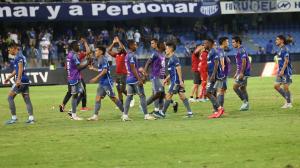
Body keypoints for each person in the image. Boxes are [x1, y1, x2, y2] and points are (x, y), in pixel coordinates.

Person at [87, 45, 124, 121]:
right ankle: (95, 116)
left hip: (107, 82)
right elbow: (101, 70)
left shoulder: (103, 59)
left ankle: (125, 113)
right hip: (102, 82)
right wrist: (93, 68)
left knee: (113, 98)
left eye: (96, 50)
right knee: (98, 98)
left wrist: (95, 78)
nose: (95, 52)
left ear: (101, 52)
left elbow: (105, 71)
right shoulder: (100, 59)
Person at [121, 40, 156, 121]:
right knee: (142, 96)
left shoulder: (127, 56)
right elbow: (133, 68)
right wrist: (139, 79)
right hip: (134, 80)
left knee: (129, 97)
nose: (136, 46)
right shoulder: (132, 56)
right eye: (135, 45)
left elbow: (133, 68)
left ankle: (125, 115)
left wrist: (140, 70)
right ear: (131, 46)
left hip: (129, 80)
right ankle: (146, 115)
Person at [4, 43, 34, 124]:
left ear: (14, 48)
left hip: (21, 80)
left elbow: (20, 68)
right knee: (27, 99)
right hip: (26, 80)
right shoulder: (21, 56)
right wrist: (9, 77)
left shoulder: (18, 57)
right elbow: (16, 70)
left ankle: (14, 118)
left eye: (9, 49)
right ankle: (31, 119)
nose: (8, 51)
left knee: (10, 97)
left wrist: (18, 79)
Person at [161, 42, 194, 118]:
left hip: (175, 81)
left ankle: (162, 113)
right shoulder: (171, 59)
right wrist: (166, 78)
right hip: (175, 79)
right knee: (182, 96)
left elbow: (178, 68)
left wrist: (180, 81)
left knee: (169, 95)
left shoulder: (174, 58)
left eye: (166, 48)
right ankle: (190, 113)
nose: (165, 50)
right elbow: (173, 72)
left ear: (170, 49)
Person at [66, 41, 91, 120]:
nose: (79, 47)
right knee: (75, 95)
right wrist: (87, 63)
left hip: (73, 77)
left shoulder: (69, 54)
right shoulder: (74, 55)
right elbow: (79, 67)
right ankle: (73, 114)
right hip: (74, 78)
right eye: (77, 45)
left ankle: (72, 111)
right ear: (74, 46)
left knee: (82, 93)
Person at [143, 39, 166, 117]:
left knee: (161, 94)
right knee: (157, 93)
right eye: (164, 45)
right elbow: (148, 62)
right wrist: (144, 73)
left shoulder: (162, 54)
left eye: (152, 43)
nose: (151, 45)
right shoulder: (155, 54)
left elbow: (162, 66)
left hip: (161, 76)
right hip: (155, 76)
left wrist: (164, 75)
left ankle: (160, 111)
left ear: (157, 44)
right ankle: (152, 108)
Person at [107, 36, 129, 106]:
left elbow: (122, 47)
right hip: (117, 74)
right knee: (118, 90)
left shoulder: (125, 54)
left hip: (123, 74)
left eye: (119, 48)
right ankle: (121, 104)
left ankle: (130, 98)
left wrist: (118, 41)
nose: (118, 49)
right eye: (117, 48)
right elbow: (108, 51)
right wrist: (113, 43)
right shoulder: (116, 55)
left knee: (122, 89)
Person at [205, 39, 225, 119]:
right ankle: (216, 111)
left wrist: (213, 75)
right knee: (212, 93)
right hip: (211, 75)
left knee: (207, 93)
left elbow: (217, 62)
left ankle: (220, 109)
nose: (204, 44)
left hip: (215, 75)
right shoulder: (210, 52)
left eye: (206, 43)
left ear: (210, 43)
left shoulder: (214, 51)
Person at [232, 36, 251, 111]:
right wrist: (237, 72)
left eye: (233, 42)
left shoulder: (241, 50)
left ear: (238, 42)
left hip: (244, 72)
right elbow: (239, 63)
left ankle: (245, 102)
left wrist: (241, 73)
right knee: (243, 88)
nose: (232, 44)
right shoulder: (239, 50)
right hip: (242, 72)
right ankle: (246, 105)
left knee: (235, 87)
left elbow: (244, 62)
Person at [274, 35, 293, 108]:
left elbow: (286, 61)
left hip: (286, 71)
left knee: (285, 87)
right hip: (280, 71)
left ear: (282, 40)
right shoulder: (280, 49)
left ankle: (288, 103)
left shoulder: (285, 49)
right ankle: (288, 97)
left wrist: (282, 70)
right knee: (276, 86)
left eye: (277, 39)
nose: (276, 41)